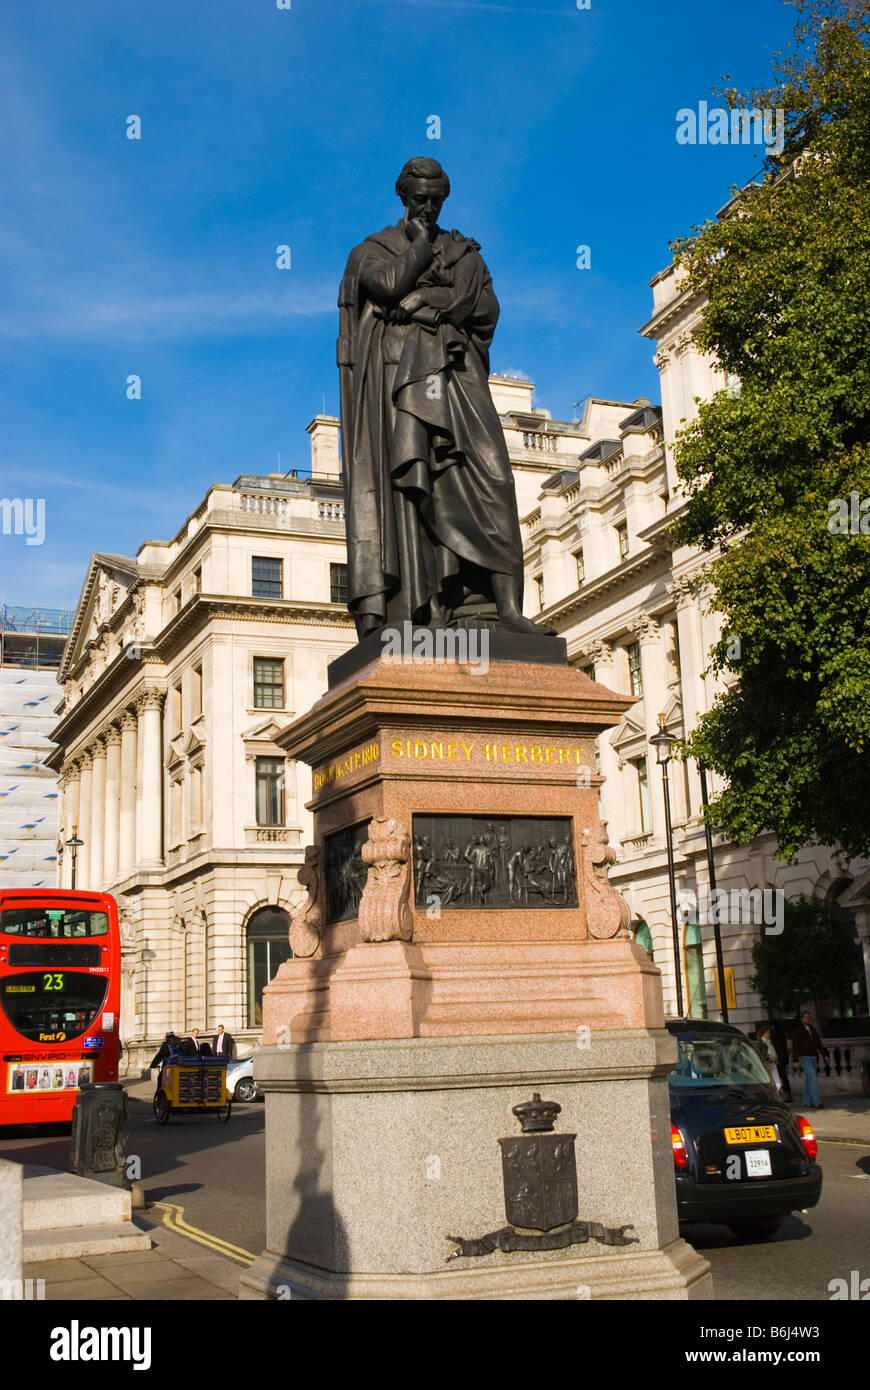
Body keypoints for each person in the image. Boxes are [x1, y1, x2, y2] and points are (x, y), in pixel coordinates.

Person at [338, 157, 551, 638]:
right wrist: (416, 249)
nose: (429, 208)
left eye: (437, 200)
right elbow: (388, 285)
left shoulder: (464, 251)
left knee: (493, 477)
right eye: (420, 200)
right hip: (399, 385)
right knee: (416, 492)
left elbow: (486, 310)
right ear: (403, 198)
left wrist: (432, 303)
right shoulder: (372, 250)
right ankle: (429, 609)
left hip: (458, 378)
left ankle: (507, 610)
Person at [791, 1010, 830, 1109]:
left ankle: (806, 1101)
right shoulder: (797, 1030)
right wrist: (795, 1060)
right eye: (806, 1017)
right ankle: (816, 1102)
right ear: (802, 1018)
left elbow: (819, 1044)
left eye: (809, 1017)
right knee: (812, 1078)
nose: (808, 1019)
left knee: (809, 1079)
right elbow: (794, 1046)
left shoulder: (813, 1029)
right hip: (804, 1057)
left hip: (813, 1056)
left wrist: (825, 1055)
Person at [757, 1025, 783, 1095]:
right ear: (763, 1034)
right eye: (767, 1032)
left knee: (776, 1082)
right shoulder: (761, 1042)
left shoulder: (769, 1042)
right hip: (767, 1064)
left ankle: (774, 1094)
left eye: (769, 1032)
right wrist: (766, 1059)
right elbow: (759, 1053)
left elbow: (773, 1053)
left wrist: (775, 1060)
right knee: (771, 1082)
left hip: (772, 1063)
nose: (769, 1034)